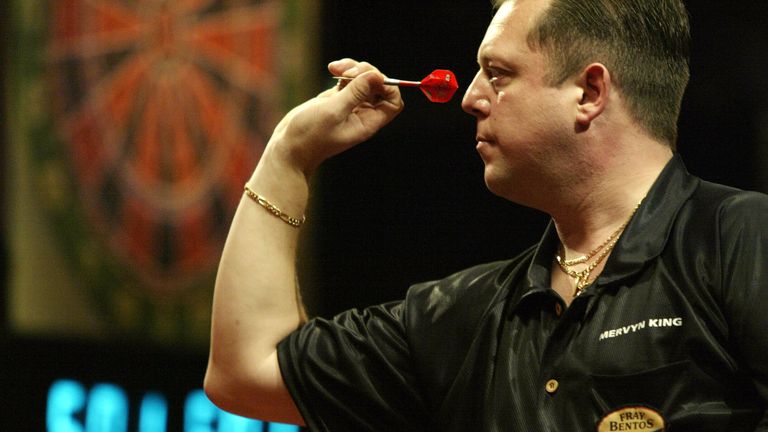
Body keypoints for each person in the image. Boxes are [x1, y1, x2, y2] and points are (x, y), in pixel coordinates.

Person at [205, 0, 768, 430]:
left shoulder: (743, 239)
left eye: (497, 74)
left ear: (589, 91)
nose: (470, 98)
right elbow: (246, 372)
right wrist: (288, 155)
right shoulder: (464, 317)